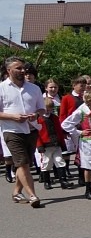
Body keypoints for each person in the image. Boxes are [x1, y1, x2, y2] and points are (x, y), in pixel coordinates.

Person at [0, 57, 47, 207]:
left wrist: (36, 114)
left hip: (31, 129)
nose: (22, 71)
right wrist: (13, 116)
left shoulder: (34, 88)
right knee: (23, 163)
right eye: (18, 68)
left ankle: (16, 192)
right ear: (9, 71)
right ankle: (32, 195)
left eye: (23, 68)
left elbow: (41, 108)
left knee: (26, 163)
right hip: (11, 131)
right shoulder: (1, 88)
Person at [35, 79, 72, 190]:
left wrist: (62, 143)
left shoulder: (55, 118)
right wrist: (40, 145)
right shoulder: (39, 120)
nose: (48, 112)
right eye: (46, 110)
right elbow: (37, 134)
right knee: (46, 163)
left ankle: (63, 181)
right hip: (45, 145)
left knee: (59, 161)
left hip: (56, 143)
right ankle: (47, 181)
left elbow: (59, 131)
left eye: (50, 110)